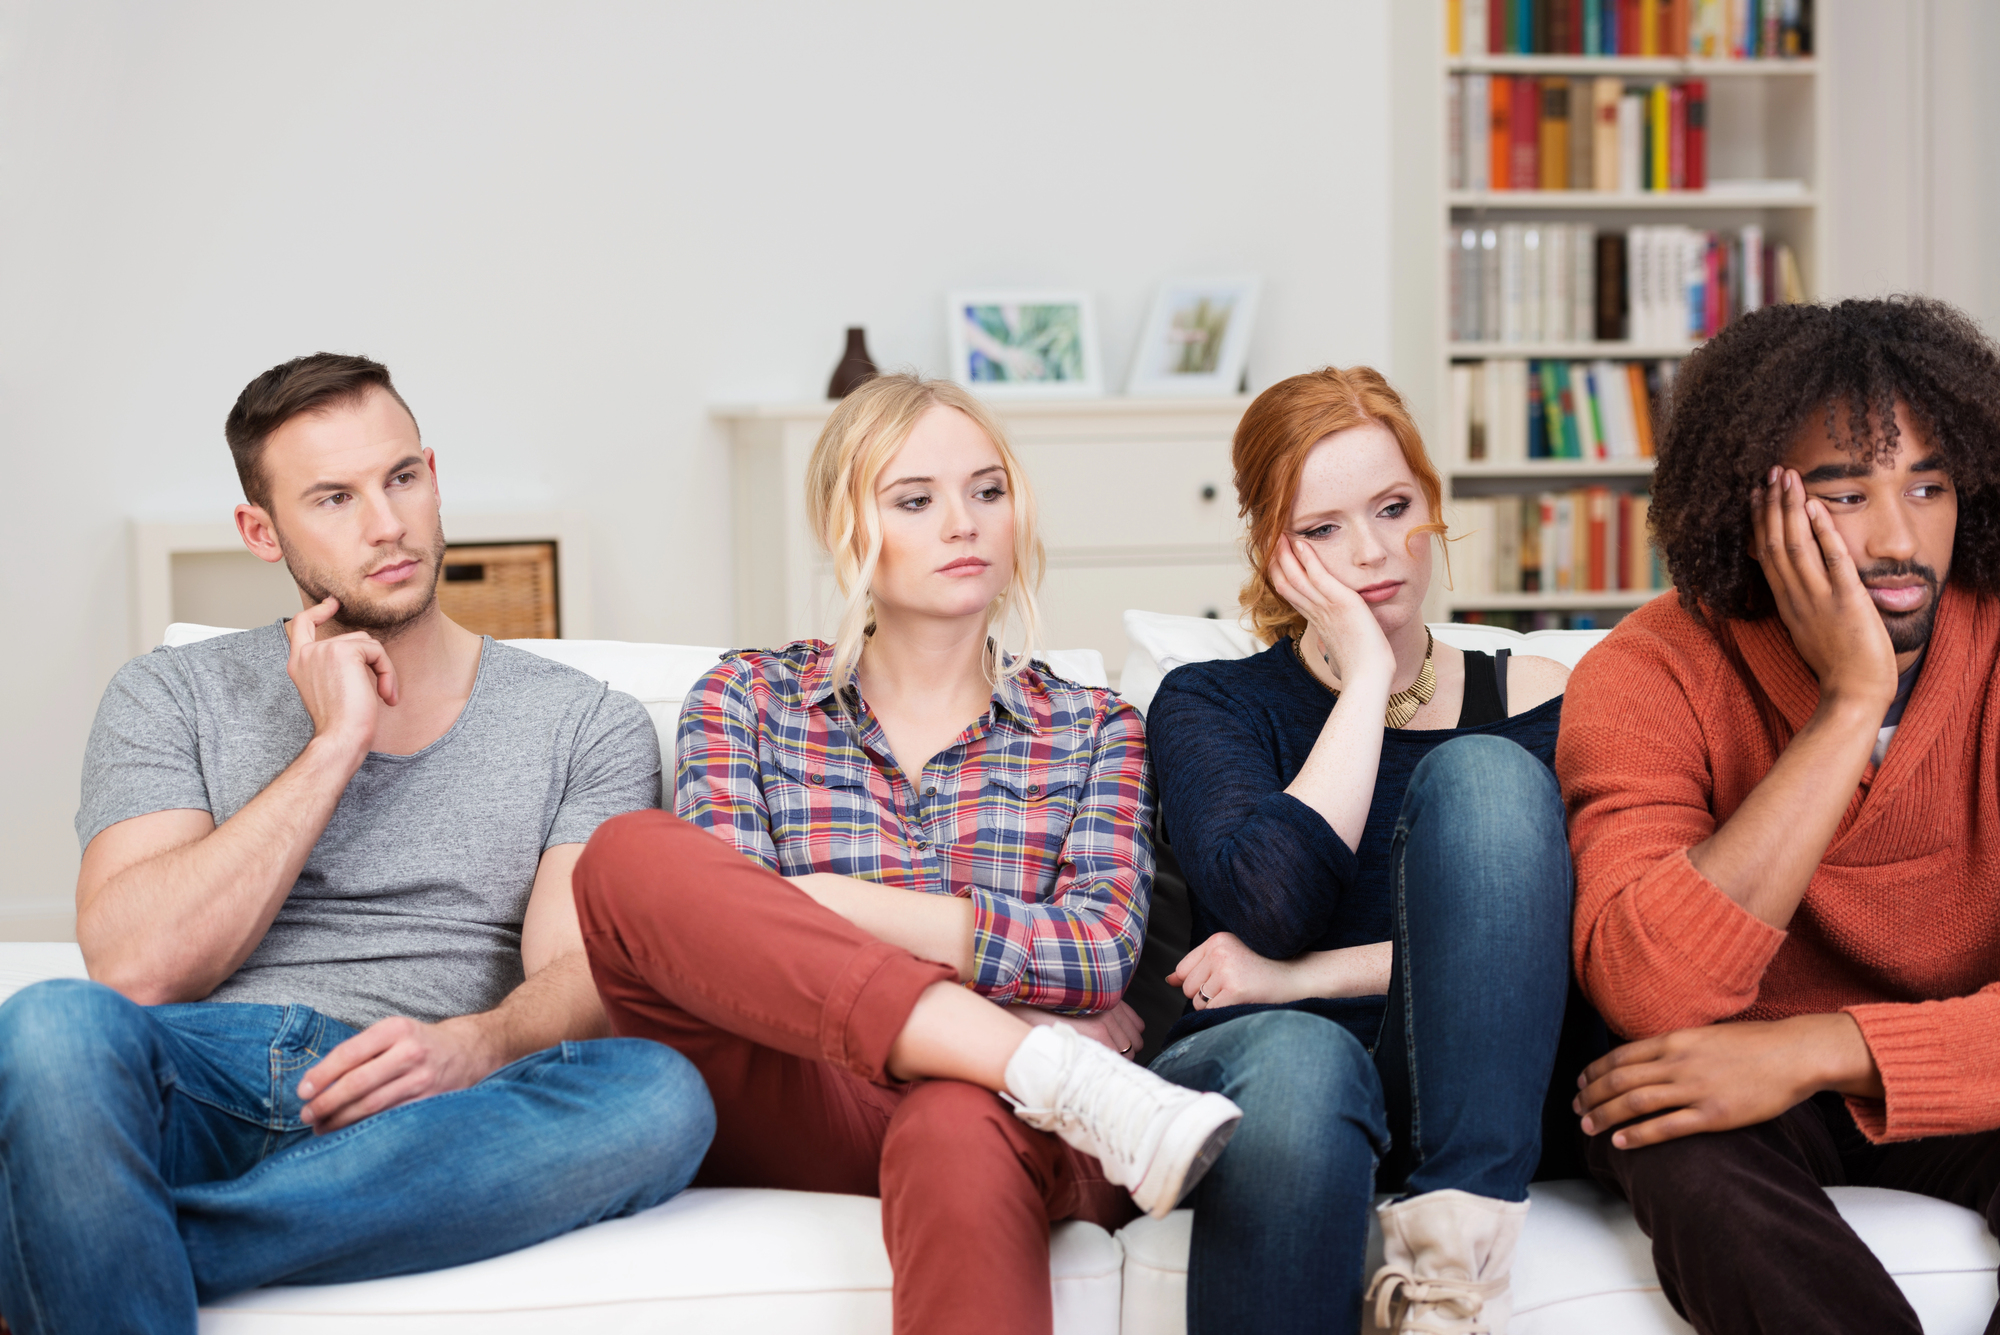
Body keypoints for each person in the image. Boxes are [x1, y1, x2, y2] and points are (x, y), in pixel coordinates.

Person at [0, 354, 714, 1335]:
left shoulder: (584, 725)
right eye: (333, 498)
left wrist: (475, 1044)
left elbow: (577, 971)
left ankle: (139, 1242)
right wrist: (336, 744)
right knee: (48, 1029)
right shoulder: (169, 693)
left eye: (401, 480)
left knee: (659, 1096)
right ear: (262, 531)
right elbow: (132, 969)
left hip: (432, 1101)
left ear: (431, 473)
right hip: (212, 1072)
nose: (387, 524)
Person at [569, 371, 1242, 1335]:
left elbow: (1097, 952)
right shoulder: (748, 698)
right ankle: (1049, 1070)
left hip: (1005, 1116)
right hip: (810, 1087)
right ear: (846, 526)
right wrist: (1007, 1018)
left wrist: (825, 896)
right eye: (915, 500)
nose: (963, 523)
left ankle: (1029, 1076)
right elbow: (726, 936)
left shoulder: (1096, 727)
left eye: (988, 490)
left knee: (956, 1119)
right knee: (629, 854)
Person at [1559, 296, 2000, 1334]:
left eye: (1926, 486)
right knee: (1649, 1119)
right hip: (1729, 1097)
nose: (1896, 539)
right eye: (1844, 494)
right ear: (1746, 503)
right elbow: (1651, 992)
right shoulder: (1643, 674)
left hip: (1893, 1067)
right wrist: (1848, 706)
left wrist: (1817, 1047)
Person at [1144, 366, 1578, 1335]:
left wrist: (1294, 978)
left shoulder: (1538, 696)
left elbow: (1556, 944)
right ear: (1268, 549)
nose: (1374, 554)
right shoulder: (1209, 705)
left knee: (1483, 777)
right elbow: (1271, 907)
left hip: (1484, 1095)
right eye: (1322, 530)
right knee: (1303, 1064)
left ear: (1431, 503)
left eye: (1392, 508)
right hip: (1277, 1088)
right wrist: (1363, 677)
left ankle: (1448, 1299)